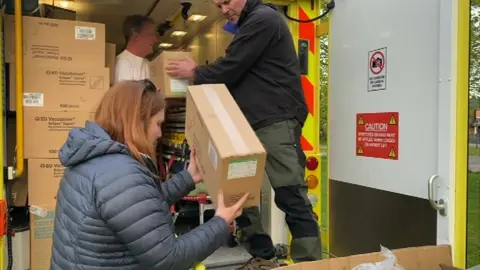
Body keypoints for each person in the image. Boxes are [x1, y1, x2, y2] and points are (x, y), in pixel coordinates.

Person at [165, 0, 322, 269]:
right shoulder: (249, 24)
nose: (223, 9)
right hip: (248, 125)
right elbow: (232, 66)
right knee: (240, 194)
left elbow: (231, 67)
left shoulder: (263, 19)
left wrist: (195, 72)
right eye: (218, 4)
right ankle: (263, 256)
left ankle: (309, 263)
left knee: (290, 194)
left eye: (226, 1)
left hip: (275, 120)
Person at [50, 79, 249, 270]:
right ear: (137, 122)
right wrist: (221, 221)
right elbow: (169, 259)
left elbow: (139, 208)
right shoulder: (121, 172)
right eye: (158, 124)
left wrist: (189, 177)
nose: (159, 134)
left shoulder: (93, 158)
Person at [114, 15, 157, 83]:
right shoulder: (123, 62)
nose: (155, 39)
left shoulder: (146, 63)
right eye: (151, 34)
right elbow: (126, 93)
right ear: (136, 37)